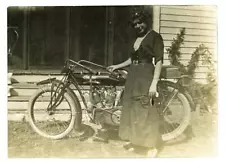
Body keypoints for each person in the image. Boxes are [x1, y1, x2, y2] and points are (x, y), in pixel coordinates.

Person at [107, 11, 164, 157]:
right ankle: (136, 141)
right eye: (135, 24)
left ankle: (152, 146)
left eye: (140, 22)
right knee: (132, 108)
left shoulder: (155, 37)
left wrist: (154, 83)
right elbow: (132, 60)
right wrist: (117, 66)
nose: (138, 26)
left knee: (147, 109)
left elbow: (158, 61)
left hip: (146, 75)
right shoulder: (136, 38)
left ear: (146, 21)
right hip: (133, 75)